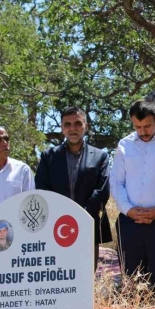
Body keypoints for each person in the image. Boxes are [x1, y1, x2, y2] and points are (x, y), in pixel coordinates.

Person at [111, 100, 155, 295]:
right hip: (129, 222)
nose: (143, 131)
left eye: (147, 126)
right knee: (131, 282)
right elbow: (116, 182)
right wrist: (128, 210)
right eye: (138, 127)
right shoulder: (124, 144)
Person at [35, 107, 113, 269]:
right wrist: (62, 216)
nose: (73, 128)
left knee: (86, 277)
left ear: (86, 125)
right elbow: (42, 189)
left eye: (78, 123)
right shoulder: (48, 157)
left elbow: (102, 190)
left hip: (88, 224)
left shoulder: (100, 156)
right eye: (67, 124)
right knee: (57, 274)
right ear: (62, 128)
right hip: (55, 226)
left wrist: (80, 216)